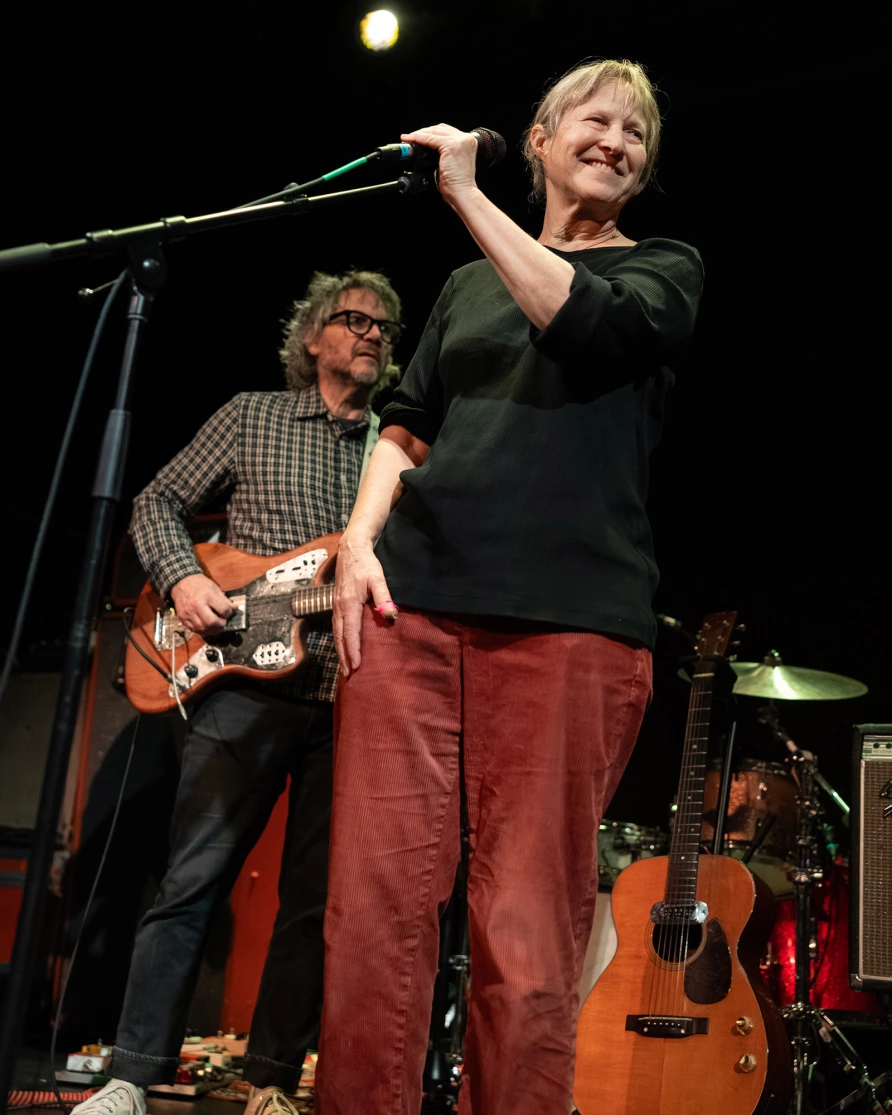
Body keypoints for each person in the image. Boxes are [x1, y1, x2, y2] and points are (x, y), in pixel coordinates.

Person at [317, 59, 704, 1114]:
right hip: (411, 612)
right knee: (371, 920)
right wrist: (357, 543)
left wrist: (469, 197)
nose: (616, 141)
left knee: (526, 935)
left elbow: (583, 326)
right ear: (538, 136)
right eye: (596, 118)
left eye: (637, 134)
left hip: (569, 628)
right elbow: (406, 420)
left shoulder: (661, 267)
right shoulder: (462, 285)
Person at [71, 269, 403, 1115]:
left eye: (383, 327)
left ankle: (272, 1083)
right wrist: (184, 582)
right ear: (313, 337)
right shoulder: (253, 414)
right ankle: (130, 1075)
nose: (368, 334)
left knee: (311, 905)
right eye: (352, 319)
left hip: (347, 695)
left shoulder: (395, 451)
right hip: (239, 685)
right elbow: (157, 502)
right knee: (191, 880)